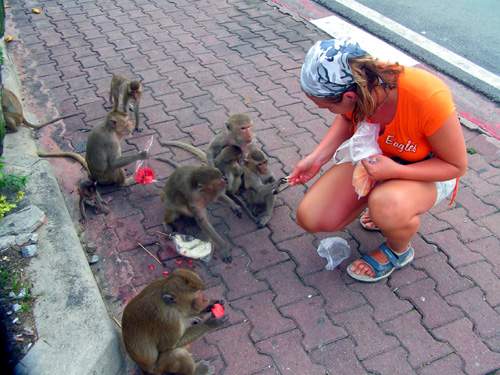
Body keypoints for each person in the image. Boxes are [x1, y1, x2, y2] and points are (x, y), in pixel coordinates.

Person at [288, 38, 467, 282]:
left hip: (429, 169)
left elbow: (455, 166)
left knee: (387, 205)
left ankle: (397, 250)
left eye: (328, 108)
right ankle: (381, 204)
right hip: (376, 158)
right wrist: (318, 157)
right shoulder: (362, 83)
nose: (332, 113)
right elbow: (347, 117)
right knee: (312, 216)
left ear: (350, 96)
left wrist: (394, 171)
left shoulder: (426, 96)